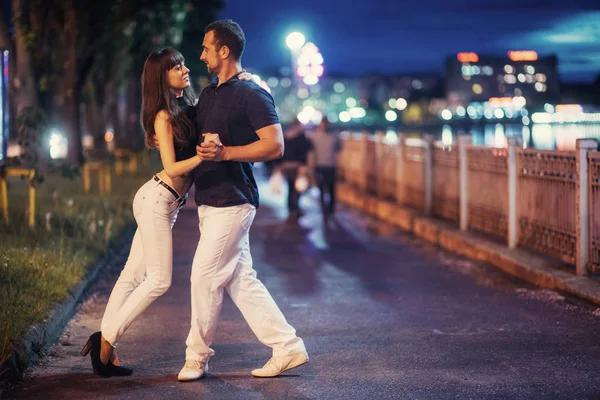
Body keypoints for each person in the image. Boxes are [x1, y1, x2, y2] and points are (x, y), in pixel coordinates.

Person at [177, 19, 308, 381]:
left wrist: (225, 153)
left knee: (203, 277)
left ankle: (196, 356)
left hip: (234, 201)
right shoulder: (208, 94)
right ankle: (287, 346)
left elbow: (274, 145)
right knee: (240, 280)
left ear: (224, 50)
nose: (201, 55)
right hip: (208, 199)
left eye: (206, 48)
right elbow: (195, 142)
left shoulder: (252, 92)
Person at [80, 48, 201, 378]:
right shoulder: (163, 115)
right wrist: (203, 157)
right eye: (177, 67)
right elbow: (172, 167)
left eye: (183, 64)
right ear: (162, 78)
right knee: (159, 280)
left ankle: (103, 341)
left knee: (132, 276)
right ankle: (107, 339)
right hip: (157, 199)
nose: (185, 70)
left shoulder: (184, 108)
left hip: (165, 203)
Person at [278, 118, 313, 221]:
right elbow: (305, 151)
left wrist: (279, 165)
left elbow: (281, 151)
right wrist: (304, 165)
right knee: (298, 189)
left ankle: (291, 208)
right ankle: (295, 208)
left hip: (286, 166)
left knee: (290, 187)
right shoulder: (301, 137)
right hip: (297, 166)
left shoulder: (285, 136)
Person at [310, 118, 341, 219]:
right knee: (322, 188)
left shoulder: (334, 136)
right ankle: (324, 210)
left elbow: (339, 148)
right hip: (319, 166)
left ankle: (331, 210)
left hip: (331, 165)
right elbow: (311, 152)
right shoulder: (314, 136)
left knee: (331, 189)